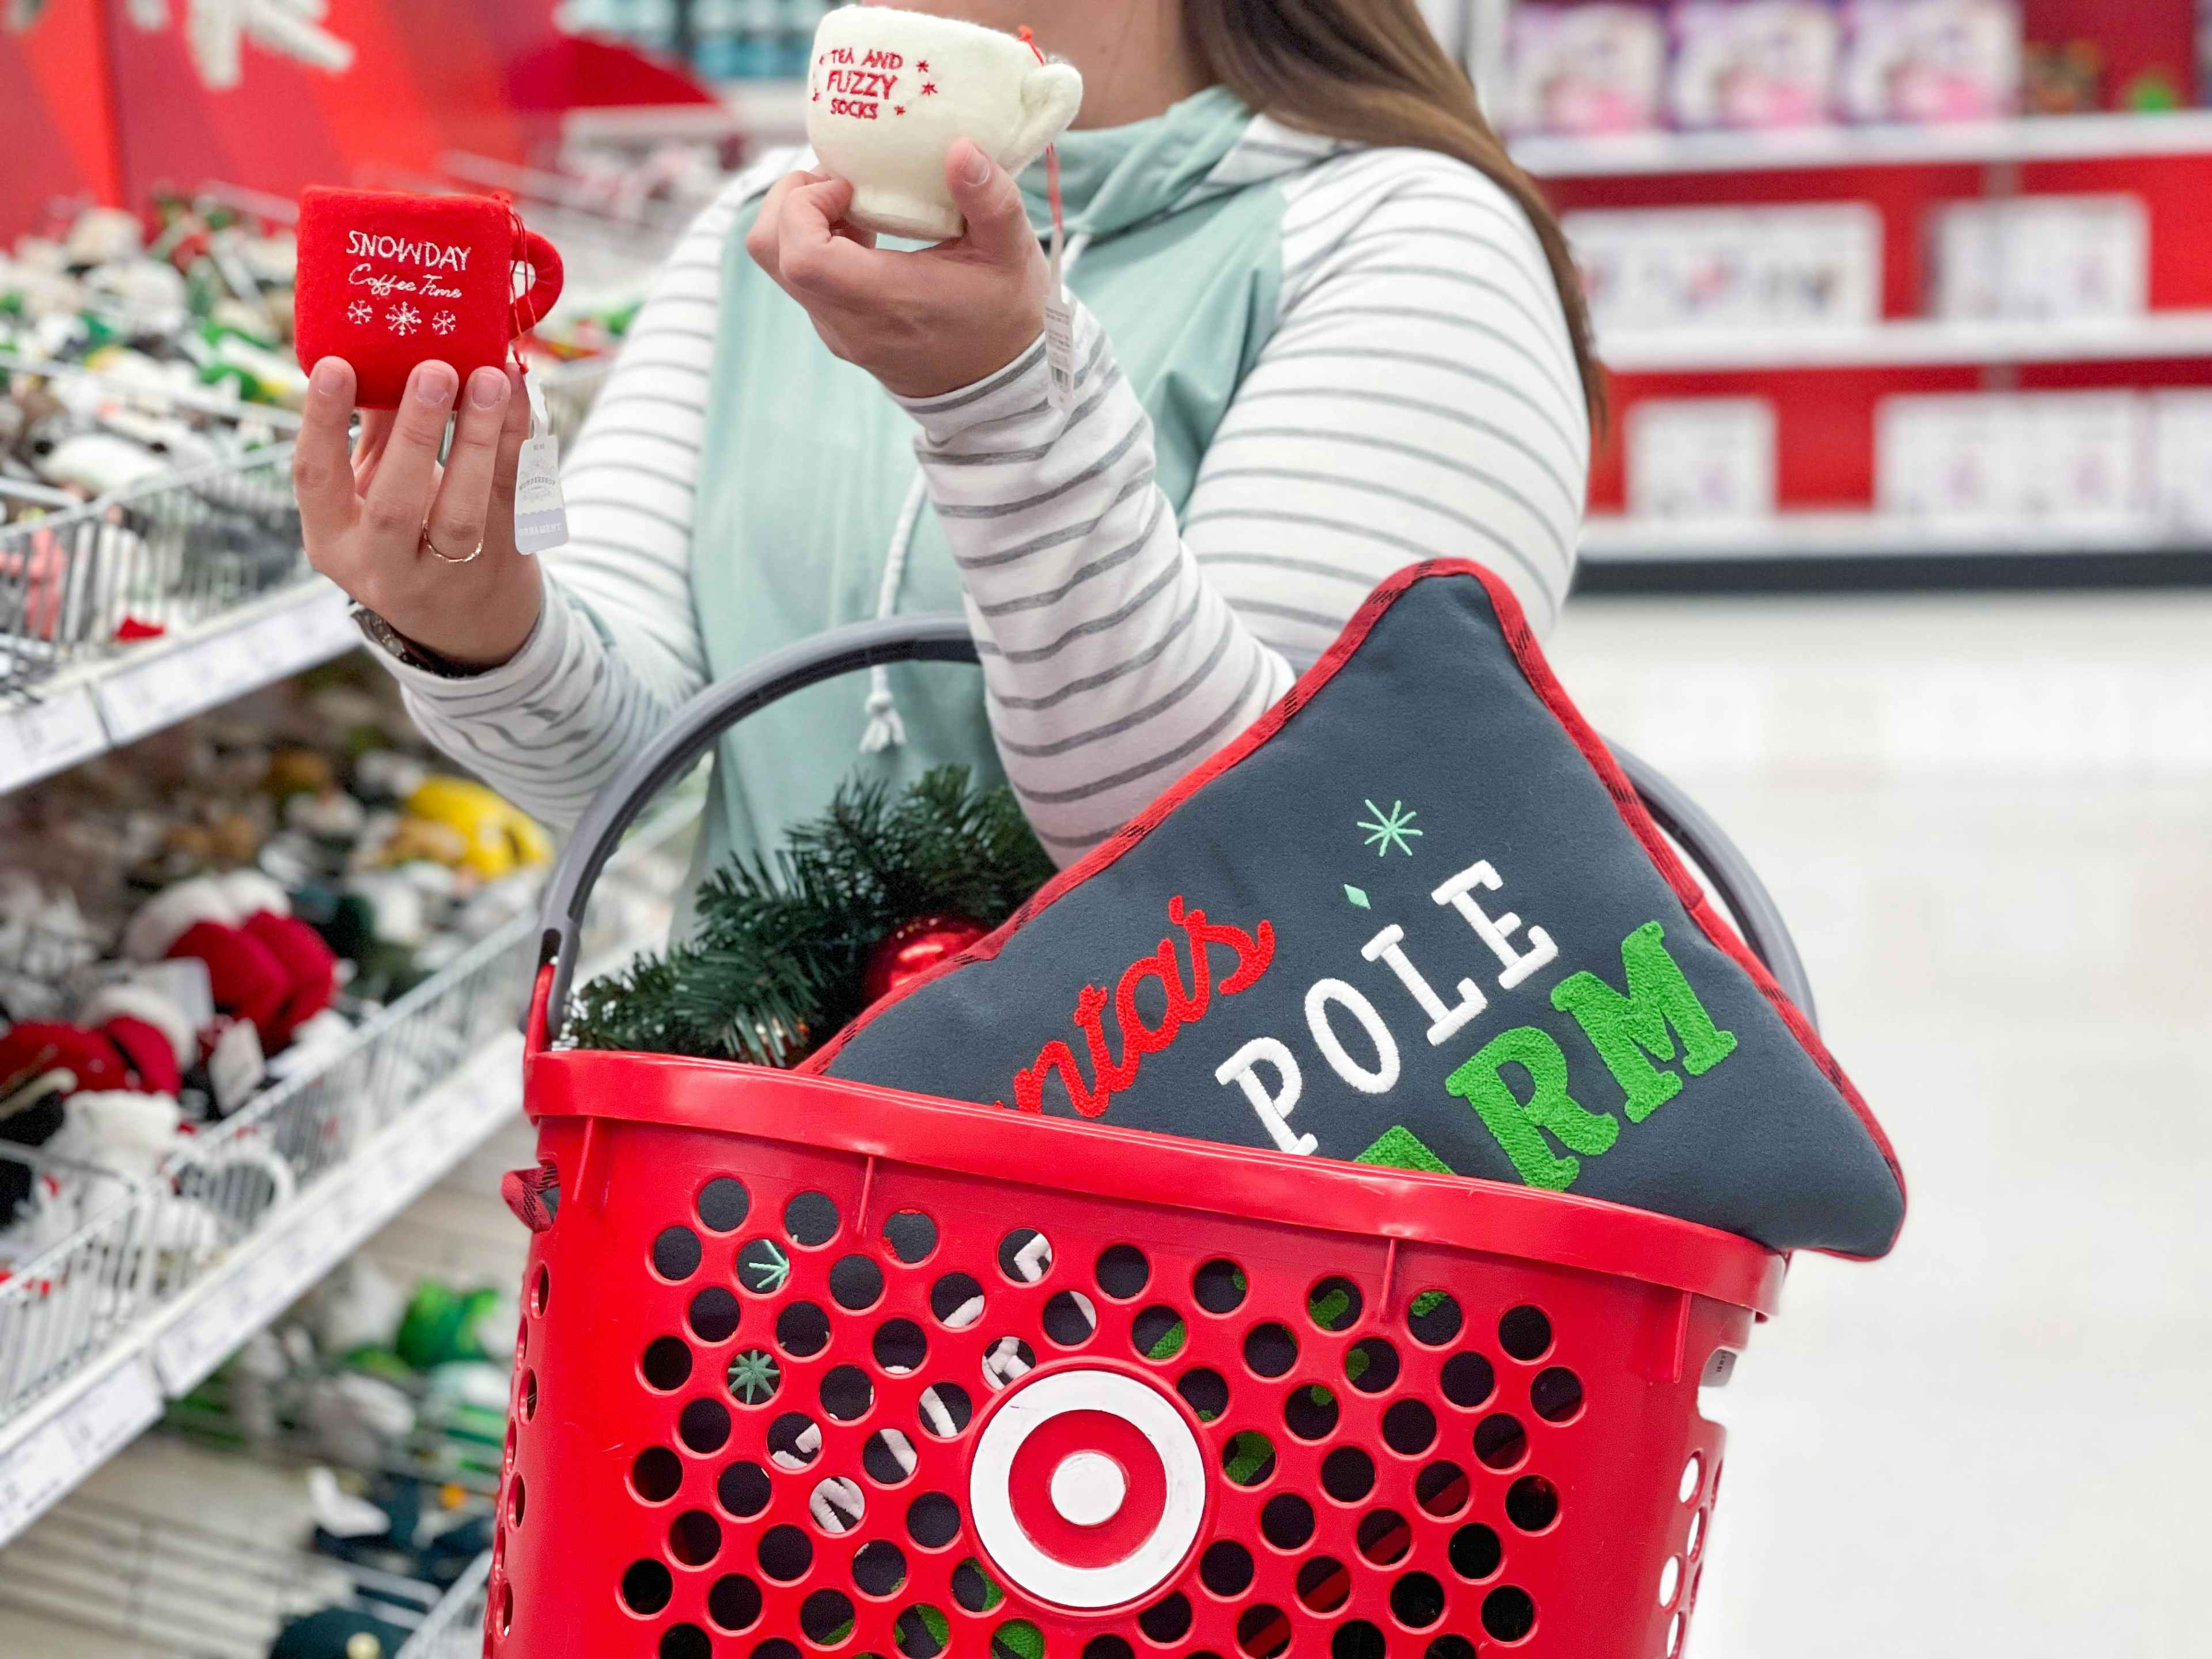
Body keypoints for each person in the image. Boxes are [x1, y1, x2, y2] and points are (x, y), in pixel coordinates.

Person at [292, 0, 1600, 878]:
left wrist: (1004, 407)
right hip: (761, 1220)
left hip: (1197, 1242)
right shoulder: (762, 240)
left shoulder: (1407, 240)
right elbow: (643, 777)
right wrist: (478, 625)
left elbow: (1284, 848)